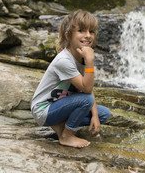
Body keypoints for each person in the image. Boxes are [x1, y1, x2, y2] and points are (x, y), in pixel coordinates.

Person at [31, 10, 110, 148]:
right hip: (43, 109)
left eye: (91, 31)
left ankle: (60, 125)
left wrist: (95, 116)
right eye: (81, 30)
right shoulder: (64, 60)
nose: (87, 35)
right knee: (86, 100)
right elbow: (87, 89)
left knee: (103, 114)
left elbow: (86, 88)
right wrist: (90, 61)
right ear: (69, 35)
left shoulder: (82, 55)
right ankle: (66, 135)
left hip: (60, 105)